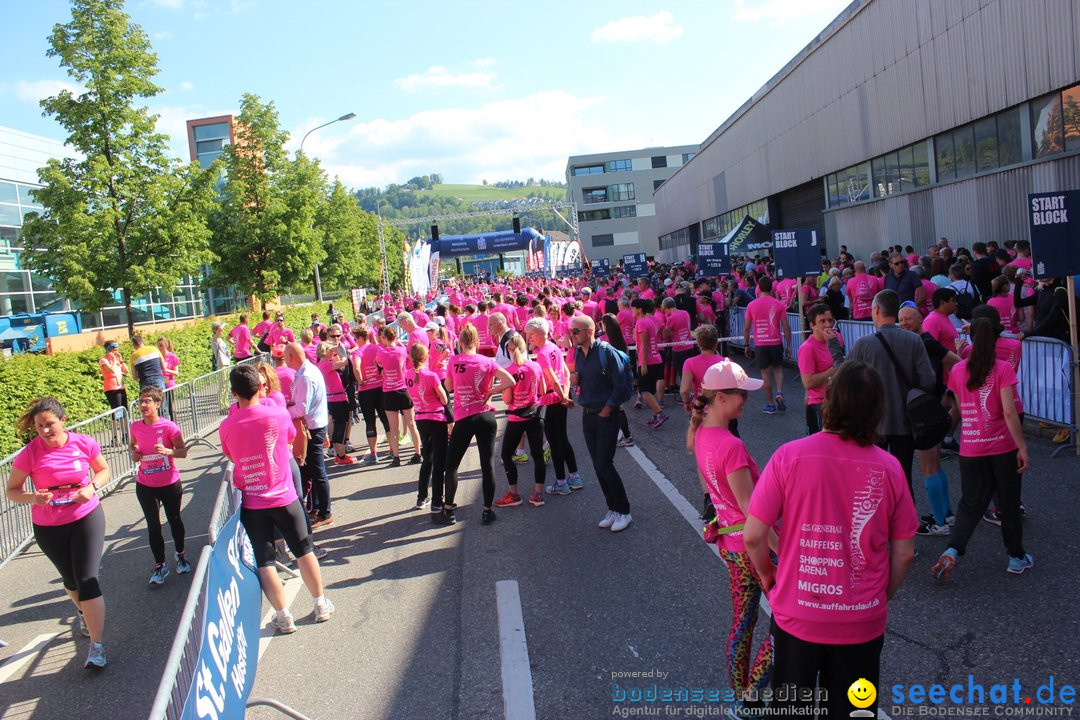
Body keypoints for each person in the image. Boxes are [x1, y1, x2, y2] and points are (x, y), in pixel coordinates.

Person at [743, 362, 917, 718]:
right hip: (861, 620)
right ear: (876, 410)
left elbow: (753, 536)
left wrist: (767, 575)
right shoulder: (890, 467)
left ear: (830, 403)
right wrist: (882, 595)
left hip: (798, 615)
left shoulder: (789, 457)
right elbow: (905, 554)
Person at [220, 365, 334, 633]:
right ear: (261, 387)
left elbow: (231, 456)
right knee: (304, 550)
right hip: (284, 497)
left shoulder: (227, 426)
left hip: (253, 503)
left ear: (234, 393)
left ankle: (283, 616)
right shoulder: (278, 414)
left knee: (265, 561)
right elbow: (290, 439)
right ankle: (320, 604)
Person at [688, 361, 774, 710]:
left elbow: (713, 492)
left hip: (729, 542)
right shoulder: (730, 445)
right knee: (786, 626)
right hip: (752, 546)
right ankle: (751, 696)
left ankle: (741, 698)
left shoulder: (702, 434)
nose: (745, 401)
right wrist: (783, 550)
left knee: (743, 622)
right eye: (741, 394)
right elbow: (751, 509)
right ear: (721, 397)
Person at [7, 397, 111, 669]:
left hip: (85, 517)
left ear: (63, 421)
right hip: (49, 527)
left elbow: (103, 470)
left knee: (87, 578)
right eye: (39, 426)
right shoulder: (30, 453)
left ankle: (96, 646)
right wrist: (33, 497)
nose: (44, 431)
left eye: (49, 424)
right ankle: (82, 612)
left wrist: (91, 488)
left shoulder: (83, 443)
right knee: (71, 581)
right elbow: (11, 491)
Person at [932, 317, 1032, 582]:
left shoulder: (958, 370)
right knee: (1008, 503)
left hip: (971, 448)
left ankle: (953, 548)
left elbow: (956, 407)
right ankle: (1015, 556)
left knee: (970, 504)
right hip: (1001, 447)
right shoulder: (1002, 369)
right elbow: (1010, 412)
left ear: (972, 336)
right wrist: (1022, 446)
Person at [849, 290, 935, 495]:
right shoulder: (914, 340)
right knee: (902, 478)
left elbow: (846, 379)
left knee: (872, 481)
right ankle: (905, 524)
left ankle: (878, 522)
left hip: (872, 423)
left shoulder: (864, 344)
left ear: (877, 310)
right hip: (905, 421)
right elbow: (929, 380)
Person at [439, 323, 515, 526]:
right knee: (487, 465)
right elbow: (510, 380)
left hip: (465, 417)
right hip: (486, 416)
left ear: (461, 342)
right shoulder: (486, 361)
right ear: (476, 342)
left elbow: (448, 387)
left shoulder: (454, 360)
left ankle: (448, 510)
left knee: (452, 465)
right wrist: (491, 392)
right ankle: (487, 511)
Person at [898, 305, 960, 537]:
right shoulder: (918, 342)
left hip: (926, 412)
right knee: (934, 464)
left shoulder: (925, 341)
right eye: (901, 320)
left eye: (909, 319)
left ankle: (939, 521)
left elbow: (957, 362)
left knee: (928, 466)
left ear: (920, 319)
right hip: (930, 408)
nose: (904, 323)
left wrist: (948, 392)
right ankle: (945, 513)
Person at [570, 315, 634, 532]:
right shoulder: (578, 353)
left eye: (576, 331)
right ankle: (613, 508)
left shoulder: (607, 352)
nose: (573, 335)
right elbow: (587, 380)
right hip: (588, 414)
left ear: (589, 331)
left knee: (604, 463)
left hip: (605, 414)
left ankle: (624, 511)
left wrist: (608, 409)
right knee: (598, 465)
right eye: (572, 331)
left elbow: (622, 385)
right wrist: (575, 381)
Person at [129, 385, 191, 585]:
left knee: (174, 520)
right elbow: (133, 445)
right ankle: (160, 565)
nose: (143, 405)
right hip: (145, 484)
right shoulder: (135, 426)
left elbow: (183, 451)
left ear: (158, 404)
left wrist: (168, 451)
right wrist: (135, 452)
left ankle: (181, 555)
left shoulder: (169, 427)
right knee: (153, 526)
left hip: (169, 483)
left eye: (148, 401)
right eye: (141, 401)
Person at [524, 317, 582, 493]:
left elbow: (553, 377)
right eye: (528, 335)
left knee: (555, 441)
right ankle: (574, 476)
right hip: (560, 396)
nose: (529, 339)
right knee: (562, 438)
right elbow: (564, 371)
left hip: (552, 398)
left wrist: (561, 396)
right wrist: (565, 395)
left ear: (542, 333)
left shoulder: (542, 353)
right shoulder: (554, 346)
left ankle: (561, 482)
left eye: (532, 335)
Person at [494, 334, 547, 509]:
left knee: (506, 455)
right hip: (534, 415)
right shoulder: (536, 366)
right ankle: (538, 494)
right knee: (538, 455)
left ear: (508, 350)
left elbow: (508, 399)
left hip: (516, 418)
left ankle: (514, 494)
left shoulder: (509, 370)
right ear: (524, 347)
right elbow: (543, 390)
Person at [284, 342, 333, 529]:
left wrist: (283, 411)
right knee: (312, 471)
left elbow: (301, 409)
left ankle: (325, 512)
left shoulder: (305, 376)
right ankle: (317, 509)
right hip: (313, 426)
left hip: (311, 428)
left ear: (291, 358)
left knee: (317, 471)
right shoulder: (308, 370)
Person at [407, 342, 449, 514]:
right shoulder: (431, 376)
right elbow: (445, 399)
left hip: (421, 419)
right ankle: (438, 500)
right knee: (439, 460)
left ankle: (422, 496)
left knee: (427, 459)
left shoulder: (407, 375)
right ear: (426, 357)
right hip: (436, 418)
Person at [742, 277, 792, 415]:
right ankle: (780, 392)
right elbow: (786, 326)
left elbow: (747, 328)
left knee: (765, 374)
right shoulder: (779, 304)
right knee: (778, 370)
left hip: (761, 344)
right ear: (772, 288)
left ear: (759, 288)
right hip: (776, 342)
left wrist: (746, 345)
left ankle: (770, 404)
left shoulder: (752, 305)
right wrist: (789, 345)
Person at [797, 303, 845, 434]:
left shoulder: (837, 338)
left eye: (830, 320)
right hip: (819, 404)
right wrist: (832, 371)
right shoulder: (807, 348)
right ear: (812, 326)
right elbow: (808, 382)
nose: (828, 325)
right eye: (822, 321)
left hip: (839, 401)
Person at [376, 325, 421, 466]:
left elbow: (380, 366)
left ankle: (396, 457)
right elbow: (407, 362)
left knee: (393, 428)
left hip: (389, 391)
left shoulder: (381, 353)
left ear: (384, 338)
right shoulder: (402, 350)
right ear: (395, 337)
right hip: (403, 389)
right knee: (412, 424)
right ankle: (418, 453)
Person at [315, 341, 355, 466]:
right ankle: (341, 455)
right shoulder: (326, 364)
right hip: (337, 399)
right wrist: (338, 352)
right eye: (330, 351)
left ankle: (340, 453)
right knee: (342, 426)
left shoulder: (320, 365)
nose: (332, 353)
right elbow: (345, 362)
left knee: (338, 426)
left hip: (332, 399)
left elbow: (341, 368)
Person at [631, 298, 668, 429]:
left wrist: (644, 363)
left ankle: (659, 414)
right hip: (656, 358)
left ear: (639, 310)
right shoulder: (649, 321)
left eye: (633, 309)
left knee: (644, 390)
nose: (632, 311)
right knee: (651, 390)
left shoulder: (641, 323)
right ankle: (654, 416)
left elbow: (644, 345)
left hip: (648, 360)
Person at [99, 340, 128, 413]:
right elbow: (112, 370)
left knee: (124, 409)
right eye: (114, 350)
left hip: (121, 386)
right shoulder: (103, 360)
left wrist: (121, 360)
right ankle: (116, 424)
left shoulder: (117, 360)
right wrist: (114, 360)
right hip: (112, 388)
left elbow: (126, 371)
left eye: (117, 350)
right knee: (118, 411)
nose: (116, 352)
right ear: (108, 350)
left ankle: (125, 424)